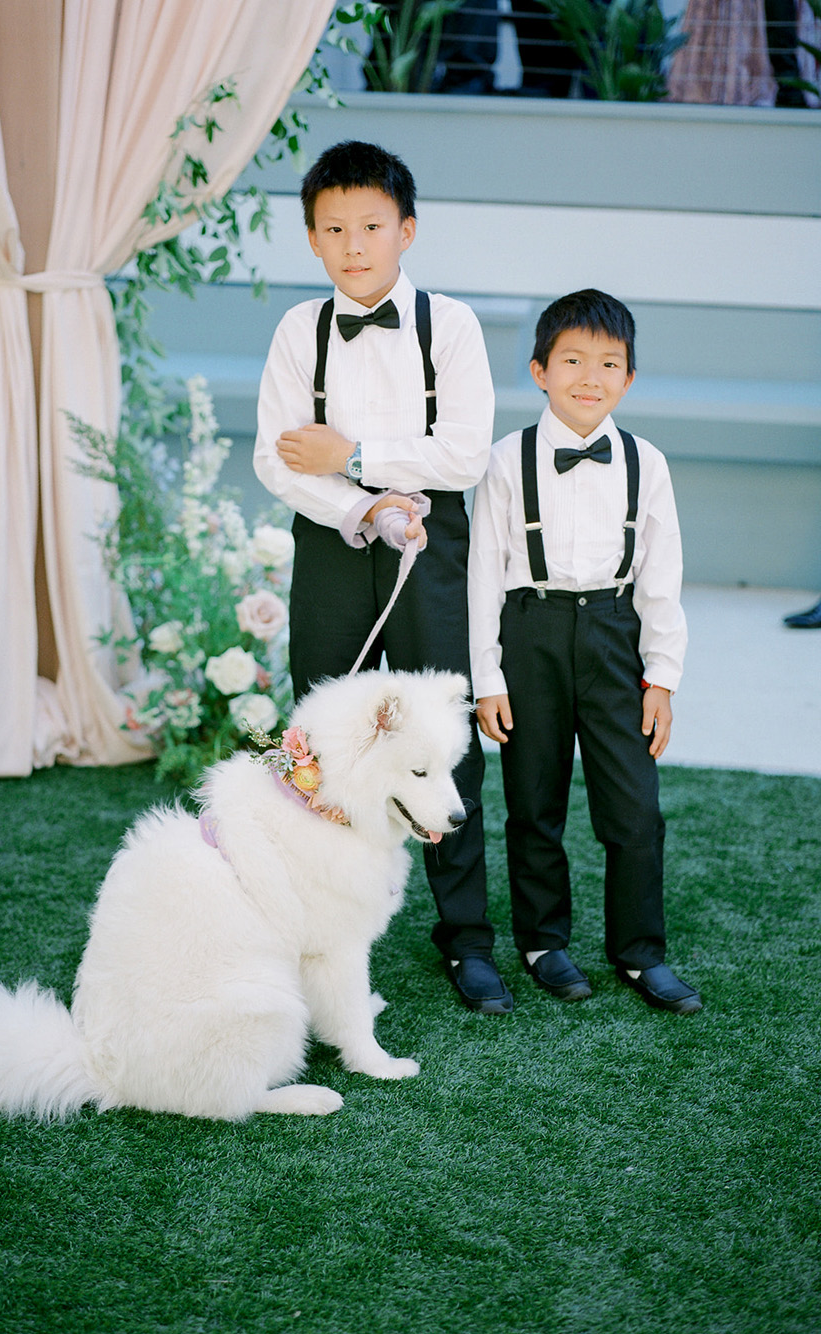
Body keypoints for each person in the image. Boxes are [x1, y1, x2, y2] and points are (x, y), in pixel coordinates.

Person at [254, 140, 513, 1016]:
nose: (354, 243)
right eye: (334, 229)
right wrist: (358, 503)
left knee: (443, 742)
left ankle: (467, 940)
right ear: (313, 240)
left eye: (371, 226)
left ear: (406, 230)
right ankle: (303, 927)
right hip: (331, 549)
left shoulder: (453, 326)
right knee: (317, 738)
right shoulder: (300, 331)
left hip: (433, 553)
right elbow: (279, 458)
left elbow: (466, 453)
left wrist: (355, 454)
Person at [468, 290, 702, 1015]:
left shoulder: (645, 461)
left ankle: (639, 954)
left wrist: (661, 678)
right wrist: (488, 677)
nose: (589, 377)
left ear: (628, 379)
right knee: (534, 801)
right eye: (572, 360)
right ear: (540, 370)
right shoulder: (507, 461)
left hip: (611, 635)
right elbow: (481, 575)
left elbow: (663, 578)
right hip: (529, 632)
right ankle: (544, 944)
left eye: (609, 363)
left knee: (634, 809)